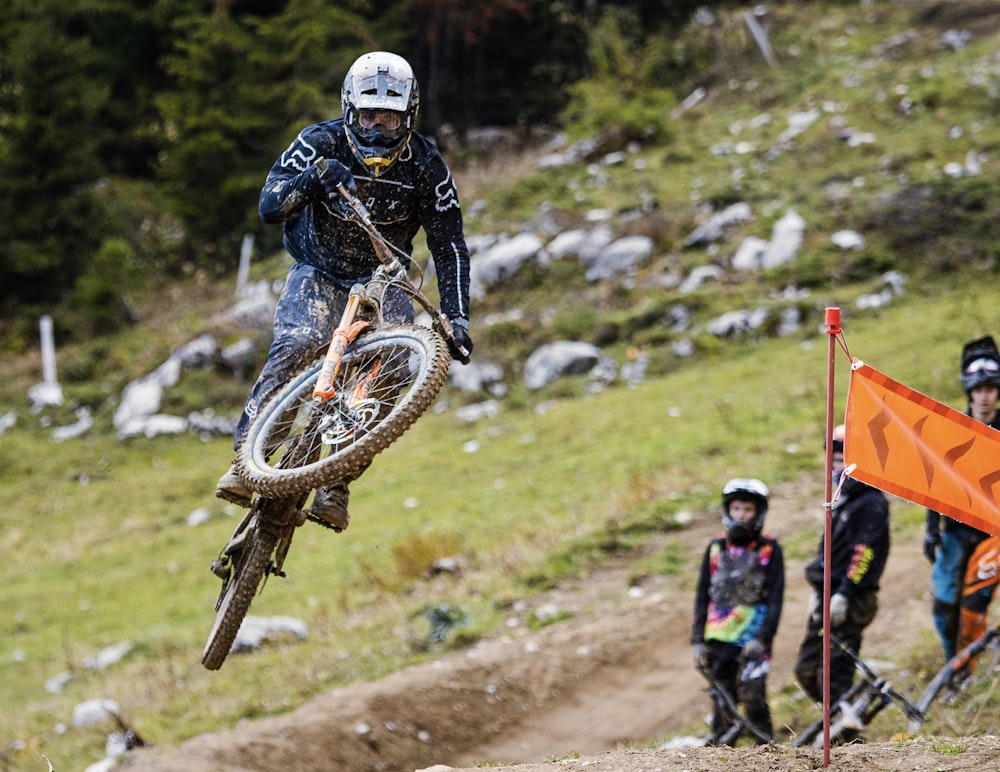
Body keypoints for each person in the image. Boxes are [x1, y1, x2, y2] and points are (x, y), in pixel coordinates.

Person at [215, 51, 473, 530]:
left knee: (396, 367)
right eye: (368, 115)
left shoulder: (427, 167)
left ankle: (337, 482)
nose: (376, 130)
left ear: (409, 117)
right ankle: (246, 461)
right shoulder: (320, 140)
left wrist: (457, 318)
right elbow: (269, 206)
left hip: (384, 277)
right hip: (319, 269)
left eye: (390, 118)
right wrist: (313, 178)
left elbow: (449, 244)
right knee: (299, 343)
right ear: (350, 110)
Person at [794, 425, 890, 723]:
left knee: (835, 671)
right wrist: (817, 590)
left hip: (853, 598)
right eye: (834, 460)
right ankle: (842, 717)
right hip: (827, 594)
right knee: (807, 670)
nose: (838, 467)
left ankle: (848, 739)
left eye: (844, 460)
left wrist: (845, 594)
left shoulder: (872, 503)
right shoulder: (838, 499)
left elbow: (864, 553)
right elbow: (826, 550)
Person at [924, 335, 1000, 675]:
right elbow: (936, 479)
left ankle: (966, 670)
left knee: (972, 604)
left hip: (994, 533)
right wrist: (930, 529)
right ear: (969, 390)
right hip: (955, 528)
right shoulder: (953, 429)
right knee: (944, 603)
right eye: (978, 389)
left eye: (990, 388)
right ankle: (950, 665)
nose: (984, 396)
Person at [691, 478, 784, 745]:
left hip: (754, 640)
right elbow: (701, 596)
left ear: (759, 513)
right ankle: (720, 754)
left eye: (748, 510)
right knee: (722, 699)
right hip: (718, 638)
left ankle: (766, 751)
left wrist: (762, 637)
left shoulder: (770, 550)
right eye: (736, 509)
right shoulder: (715, 549)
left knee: (754, 697)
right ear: (727, 511)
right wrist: (697, 639)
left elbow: (776, 599)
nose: (741, 516)